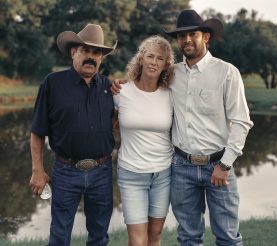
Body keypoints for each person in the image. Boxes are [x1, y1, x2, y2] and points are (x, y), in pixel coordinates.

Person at [112, 9, 253, 246]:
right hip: (181, 168)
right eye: (181, 36)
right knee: (188, 237)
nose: (186, 40)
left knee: (228, 237)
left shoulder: (227, 73)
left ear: (205, 37)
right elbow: (146, 89)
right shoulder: (172, 74)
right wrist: (122, 85)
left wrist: (225, 164)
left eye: (193, 34)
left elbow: (241, 122)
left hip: (218, 166)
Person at [29, 23, 117, 246]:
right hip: (66, 172)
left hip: (102, 171)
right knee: (59, 236)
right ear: (73, 52)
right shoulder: (52, 84)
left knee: (99, 237)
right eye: (85, 50)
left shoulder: (110, 88)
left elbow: (121, 122)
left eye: (96, 52)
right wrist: (37, 170)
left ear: (102, 58)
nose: (91, 57)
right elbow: (38, 131)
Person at [113, 35, 174, 246]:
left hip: (163, 173)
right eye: (149, 56)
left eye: (159, 58)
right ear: (140, 59)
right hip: (131, 174)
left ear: (166, 64)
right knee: (137, 241)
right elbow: (107, 123)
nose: (153, 62)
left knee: (154, 236)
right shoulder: (121, 92)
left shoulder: (171, 95)